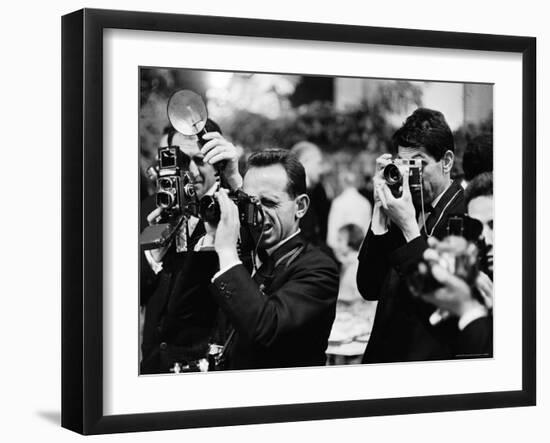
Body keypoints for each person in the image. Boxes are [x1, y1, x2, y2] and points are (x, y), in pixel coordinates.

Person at [205, 149, 339, 370]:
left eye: (269, 203)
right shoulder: (249, 253)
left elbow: (267, 327)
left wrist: (227, 251)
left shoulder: (318, 268)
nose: (257, 214)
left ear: (301, 206)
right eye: (251, 203)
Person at [357, 108, 466, 363]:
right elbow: (369, 287)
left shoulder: (465, 213)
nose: (410, 175)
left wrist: (409, 227)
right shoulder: (403, 205)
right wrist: (379, 213)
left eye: (419, 164)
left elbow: (447, 303)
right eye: (404, 165)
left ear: (447, 161)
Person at [140, 120, 241, 374]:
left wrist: (236, 182)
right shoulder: (153, 207)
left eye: (200, 160)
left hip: (202, 367)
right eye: (182, 161)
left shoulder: (231, 209)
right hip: (152, 363)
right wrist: (152, 255)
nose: (192, 172)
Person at [290, 141, 331, 248]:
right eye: (319, 163)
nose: (321, 170)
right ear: (305, 162)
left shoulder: (318, 191)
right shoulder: (291, 194)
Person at [326, 171, 372, 251]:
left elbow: (332, 233)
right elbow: (368, 230)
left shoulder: (338, 202)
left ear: (342, 183)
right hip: (361, 250)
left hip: (343, 250)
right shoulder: (365, 203)